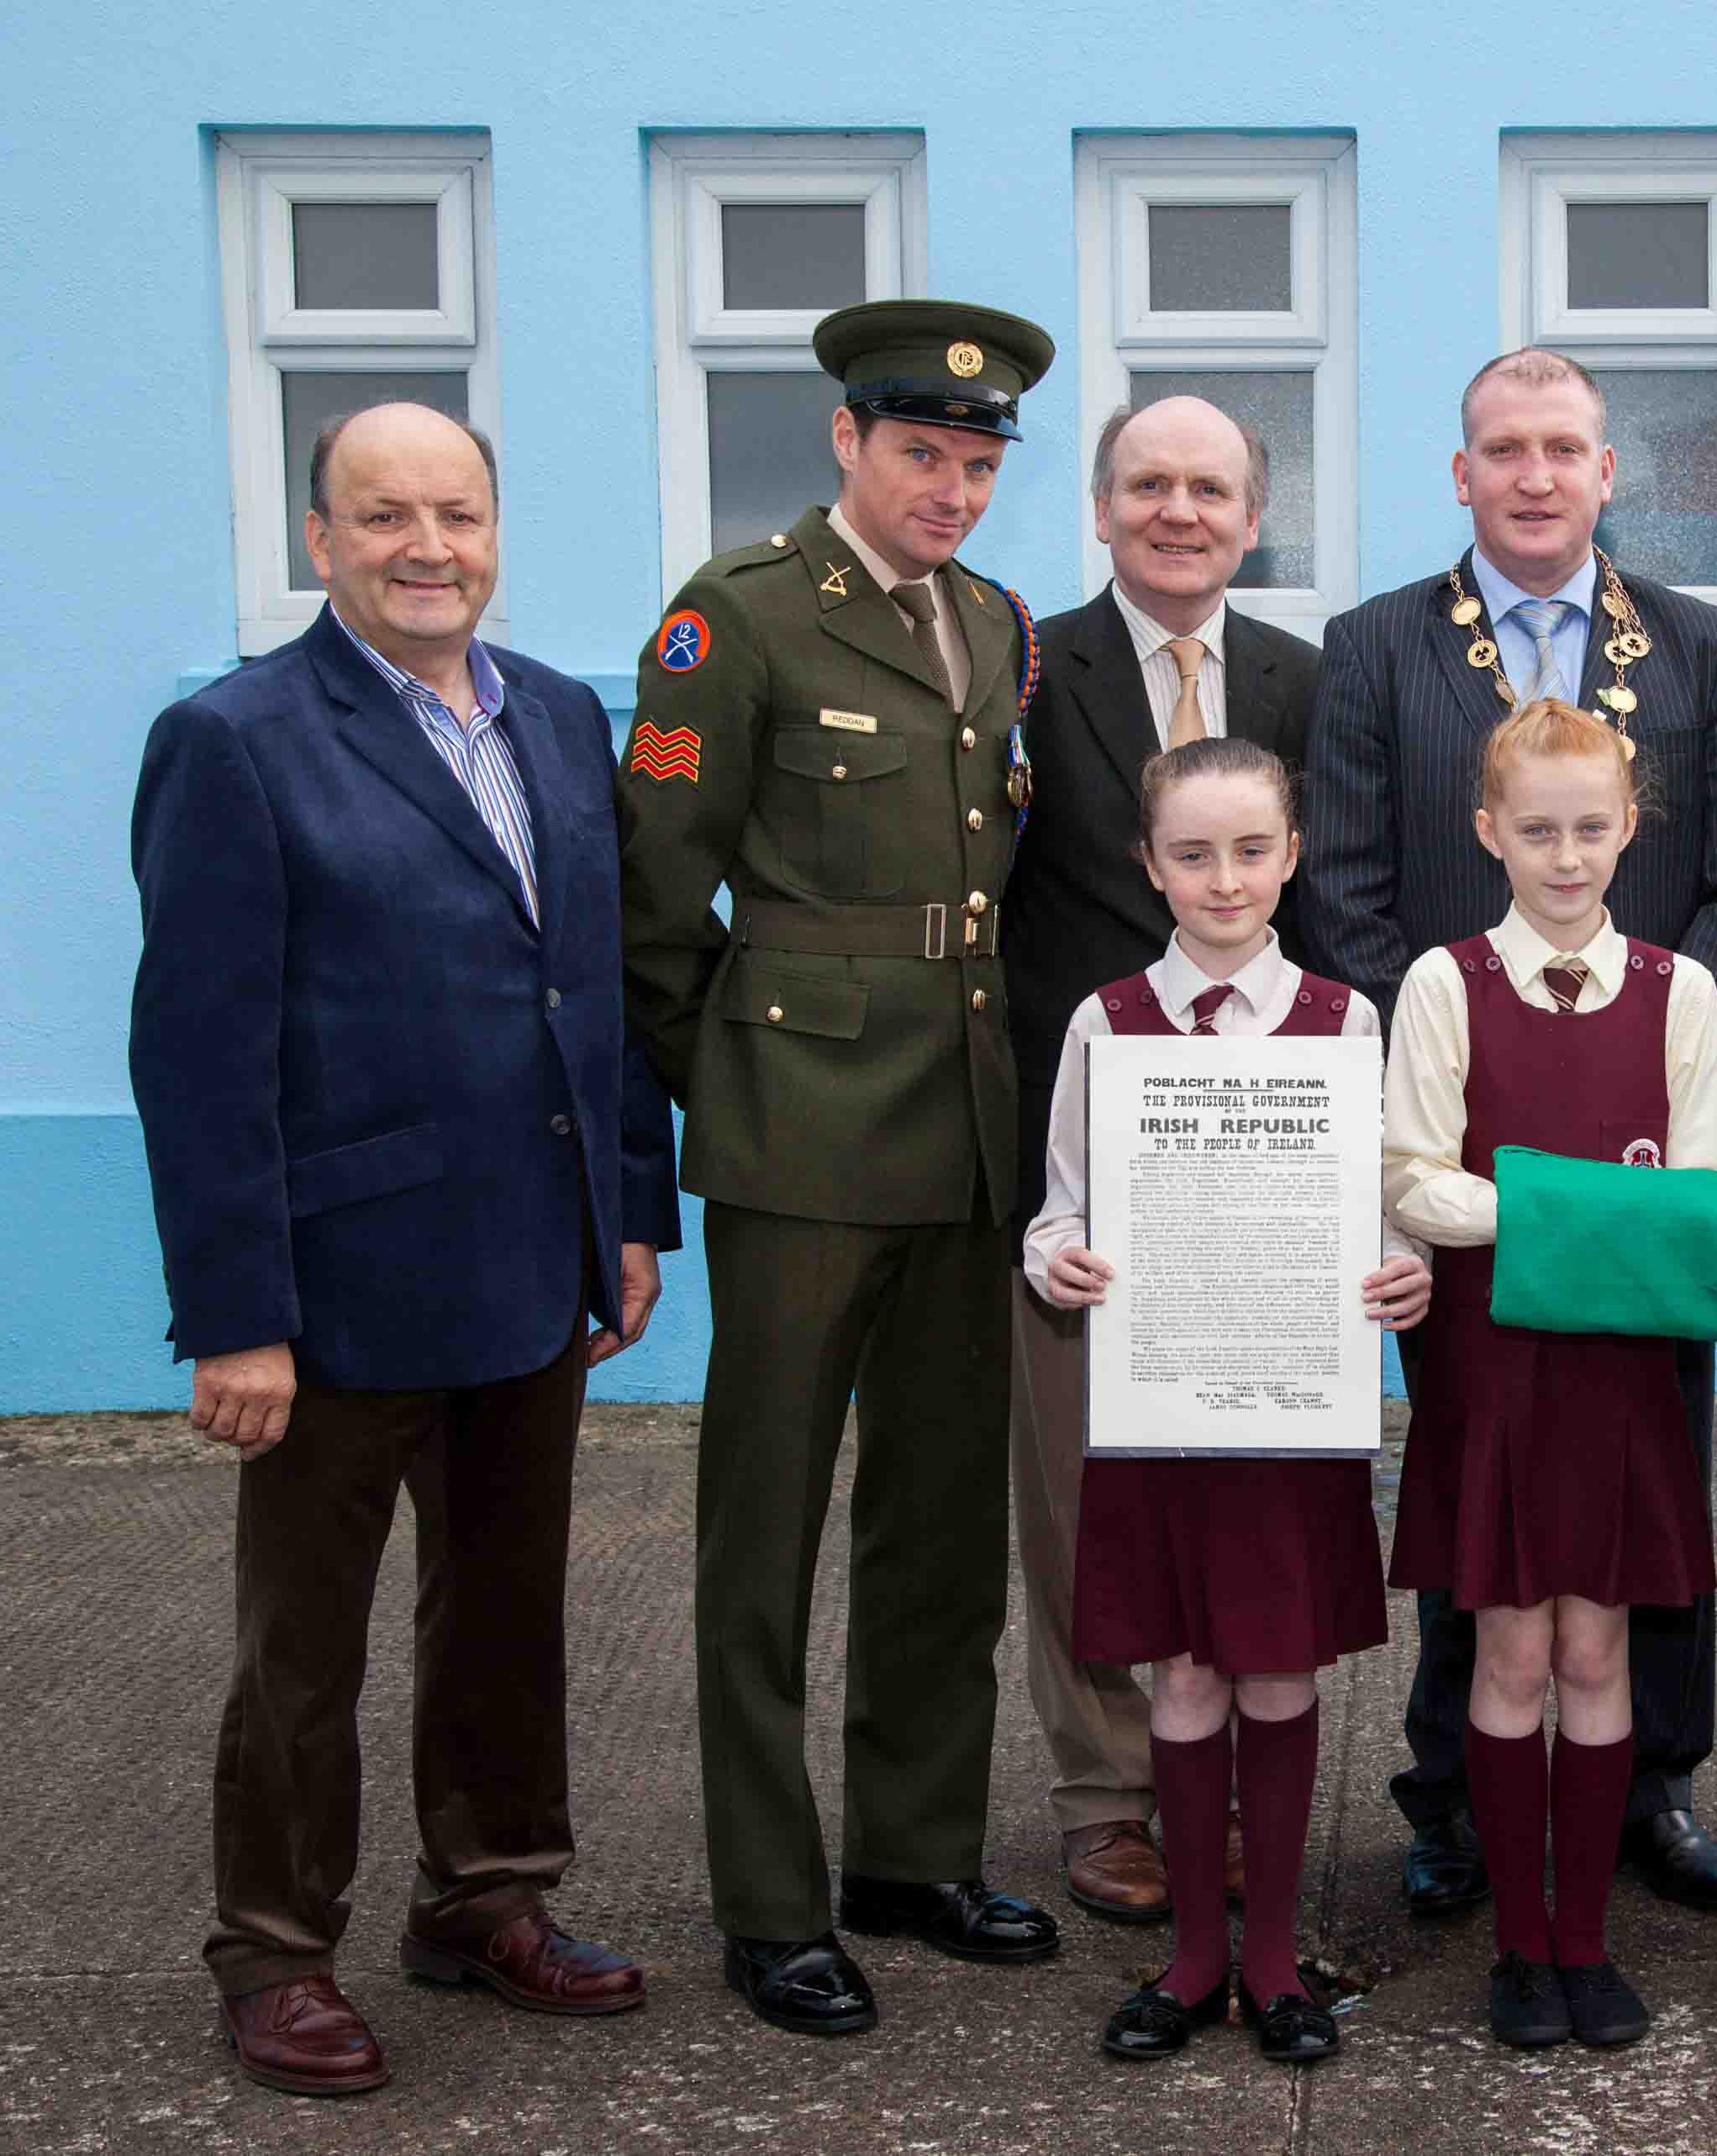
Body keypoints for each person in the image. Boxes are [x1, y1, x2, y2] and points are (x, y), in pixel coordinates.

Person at [129, 401, 679, 2096]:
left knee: (506, 1608)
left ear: (496, 529)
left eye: (454, 510)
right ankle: (277, 1946)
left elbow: (603, 984)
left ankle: (488, 1895)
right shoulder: (236, 738)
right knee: (304, 1642)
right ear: (321, 540)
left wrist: (634, 1207)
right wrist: (237, 1313)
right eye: (384, 516)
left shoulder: (565, 721)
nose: (424, 542)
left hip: (531, 1258)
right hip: (336, 1283)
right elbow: (198, 1049)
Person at [617, 299, 1063, 2035]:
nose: (949, 487)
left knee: (942, 1510)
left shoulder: (997, 627)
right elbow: (654, 901)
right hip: (799, 1126)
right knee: (766, 1522)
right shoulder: (732, 620)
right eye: (919, 453)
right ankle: (770, 1891)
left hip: (966, 1111)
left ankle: (913, 1849)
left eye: (974, 462)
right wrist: (728, 1081)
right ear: (845, 443)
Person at [1310, 347, 1717, 1918]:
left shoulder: (1703, 648)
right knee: (1477, 1480)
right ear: (1462, 473)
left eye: (1563, 448)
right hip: (1465, 1146)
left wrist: (1640, 1030)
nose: (1533, 474)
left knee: (1656, 1471)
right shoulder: (1376, 649)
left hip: (1644, 1168)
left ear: (1605, 472)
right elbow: (1353, 893)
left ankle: (1655, 1780)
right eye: (1502, 448)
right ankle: (1454, 1792)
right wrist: (1466, 1073)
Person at [1027, 735, 1427, 2064]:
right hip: (1160, 1401)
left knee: (1273, 1662)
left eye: (1251, 850)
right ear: (1149, 865)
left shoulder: (1340, 1020)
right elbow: (1061, 1207)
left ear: (1292, 856)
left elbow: (1374, 1200)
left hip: (1283, 1401)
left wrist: (1400, 1269)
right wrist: (1061, 1259)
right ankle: (1194, 1954)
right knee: (1182, 1670)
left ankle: (1274, 1964)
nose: (1224, 878)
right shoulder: (1106, 1022)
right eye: (1192, 854)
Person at [1383, 698, 1717, 2049]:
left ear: (1630, 825)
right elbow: (1411, 1176)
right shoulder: (1442, 981)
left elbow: (1704, 1191)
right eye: (1537, 829)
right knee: (1510, 1644)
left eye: (1591, 826)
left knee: (1599, 1644)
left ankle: (1585, 1940)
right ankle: (1516, 1947)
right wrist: (1572, 1213)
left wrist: (1548, 1207)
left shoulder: (1680, 989)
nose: (1567, 853)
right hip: (1494, 1362)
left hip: (1622, 1368)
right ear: (1490, 832)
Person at [1005, 397, 1322, 1923]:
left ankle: (1238, 1790)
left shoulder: (1305, 684)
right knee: (1082, 1496)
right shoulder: (1023, 672)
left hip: (1264, 1182)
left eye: (1210, 485)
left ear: (1253, 515)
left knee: (1240, 1500)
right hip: (1095, 1176)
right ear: (1103, 506)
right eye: (1149, 484)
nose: (1178, 510)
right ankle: (1106, 1794)